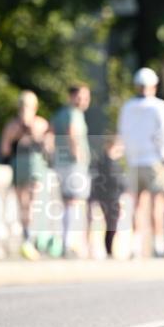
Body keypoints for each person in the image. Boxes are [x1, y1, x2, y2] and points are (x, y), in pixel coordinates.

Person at [117, 67, 164, 257]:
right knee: (157, 204)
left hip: (134, 160)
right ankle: (158, 246)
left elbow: (123, 133)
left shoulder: (127, 107)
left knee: (137, 204)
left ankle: (136, 246)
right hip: (154, 159)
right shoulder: (160, 106)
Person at [0, 91, 50, 260]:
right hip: (32, 166)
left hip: (21, 166)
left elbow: (5, 150)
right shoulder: (40, 124)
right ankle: (30, 239)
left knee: (25, 205)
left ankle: (29, 239)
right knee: (32, 204)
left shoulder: (12, 126)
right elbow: (49, 149)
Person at [49, 84, 92, 257]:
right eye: (81, 97)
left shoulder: (59, 113)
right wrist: (78, 155)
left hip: (60, 162)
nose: (84, 101)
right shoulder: (74, 114)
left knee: (67, 202)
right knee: (74, 202)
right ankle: (68, 244)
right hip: (73, 164)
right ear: (72, 96)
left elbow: (50, 132)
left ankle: (65, 243)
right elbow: (72, 133)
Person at [89, 137, 127, 257]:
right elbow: (116, 181)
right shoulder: (109, 163)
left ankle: (108, 249)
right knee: (111, 224)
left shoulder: (102, 162)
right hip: (110, 197)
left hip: (106, 196)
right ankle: (108, 250)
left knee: (110, 224)